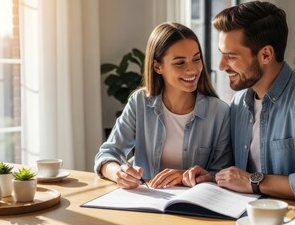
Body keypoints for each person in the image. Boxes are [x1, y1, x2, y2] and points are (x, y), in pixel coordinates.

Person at [183, 1, 295, 205]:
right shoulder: (239, 103)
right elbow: (239, 176)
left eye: (231, 57)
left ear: (265, 55)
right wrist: (212, 177)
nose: (222, 66)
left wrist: (256, 182)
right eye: (222, 55)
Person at [94, 22, 232, 189]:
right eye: (180, 63)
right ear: (157, 66)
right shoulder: (139, 102)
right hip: (147, 203)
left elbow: (223, 174)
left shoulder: (220, 112)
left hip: (195, 208)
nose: (192, 70)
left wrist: (185, 176)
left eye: (196, 59)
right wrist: (118, 173)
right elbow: (108, 154)